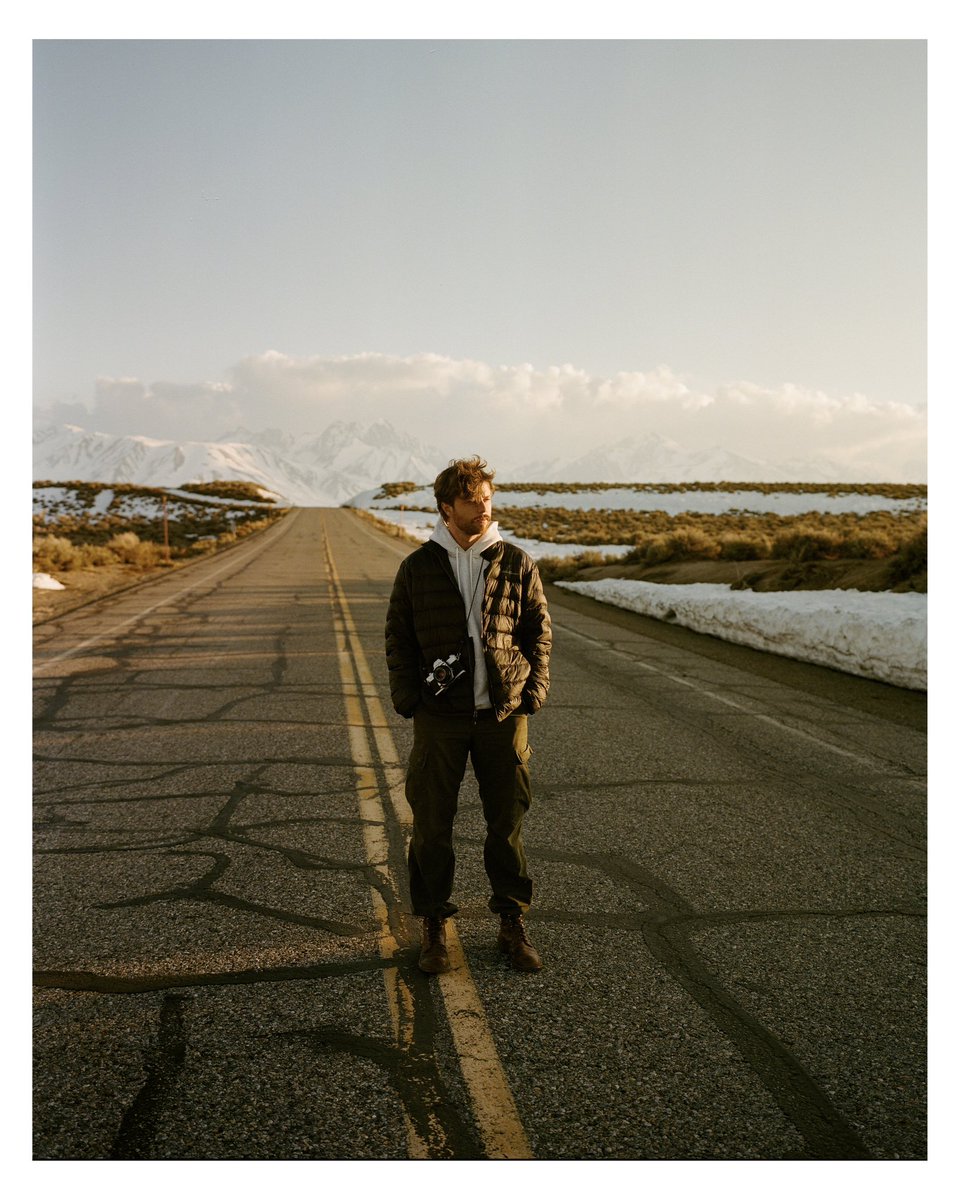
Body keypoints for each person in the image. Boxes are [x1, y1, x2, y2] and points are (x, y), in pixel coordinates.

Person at [385, 455, 552, 973]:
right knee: (432, 825)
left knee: (507, 824)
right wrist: (410, 699)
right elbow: (399, 638)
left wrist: (532, 692)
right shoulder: (417, 568)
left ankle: (511, 922)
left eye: (487, 500)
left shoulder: (517, 562)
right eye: (471, 502)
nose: (483, 509)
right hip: (441, 718)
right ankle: (434, 926)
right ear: (445, 507)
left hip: (503, 715)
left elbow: (538, 632)